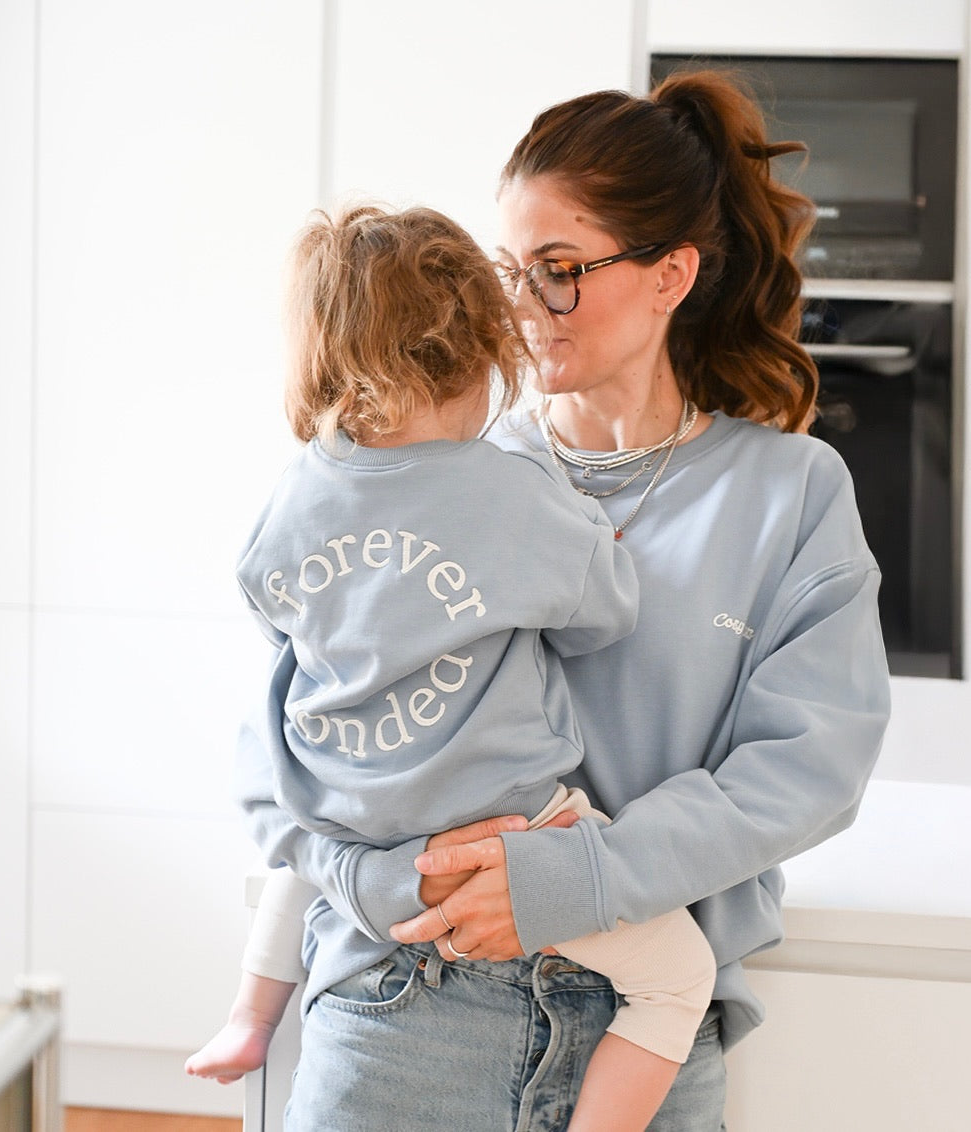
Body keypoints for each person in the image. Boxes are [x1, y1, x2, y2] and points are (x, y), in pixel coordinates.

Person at [235, 68, 891, 1131]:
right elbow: (281, 743)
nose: (519, 309)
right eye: (509, 270)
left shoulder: (789, 494)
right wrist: (360, 878)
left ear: (671, 273)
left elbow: (806, 769)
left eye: (558, 271)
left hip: (644, 1024)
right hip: (409, 998)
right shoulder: (437, 467)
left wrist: (569, 879)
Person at [188, 201, 719, 1131]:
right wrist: (571, 507)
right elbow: (606, 613)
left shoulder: (298, 490)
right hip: (505, 836)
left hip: (357, 827)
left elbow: (272, 614)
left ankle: (247, 1017)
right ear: (481, 351)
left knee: (301, 858)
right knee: (679, 980)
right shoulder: (509, 484)